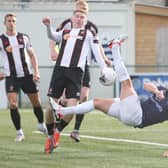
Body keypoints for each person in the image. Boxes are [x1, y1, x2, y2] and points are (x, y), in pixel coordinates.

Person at [50, 35, 168, 155]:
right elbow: (147, 85)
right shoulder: (164, 91)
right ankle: (62, 111)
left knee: (127, 83)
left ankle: (114, 48)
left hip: (137, 116)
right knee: (96, 102)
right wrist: (156, 91)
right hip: (130, 111)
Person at [42, 7, 110, 154]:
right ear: (72, 19)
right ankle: (49, 135)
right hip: (59, 71)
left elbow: (97, 51)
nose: (79, 19)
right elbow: (53, 36)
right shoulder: (65, 32)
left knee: (73, 107)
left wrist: (104, 68)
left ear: (85, 21)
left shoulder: (89, 34)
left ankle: (57, 132)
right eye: (77, 16)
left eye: (82, 17)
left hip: (76, 73)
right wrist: (48, 26)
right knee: (50, 106)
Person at [0, 13, 47, 142]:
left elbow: (32, 55)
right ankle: (19, 132)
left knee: (36, 102)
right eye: (9, 21)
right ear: (5, 23)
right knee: (13, 104)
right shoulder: (1, 40)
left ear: (16, 23)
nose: (11, 23)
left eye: (13, 21)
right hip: (11, 77)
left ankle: (41, 124)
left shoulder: (23, 38)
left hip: (27, 76)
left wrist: (36, 72)